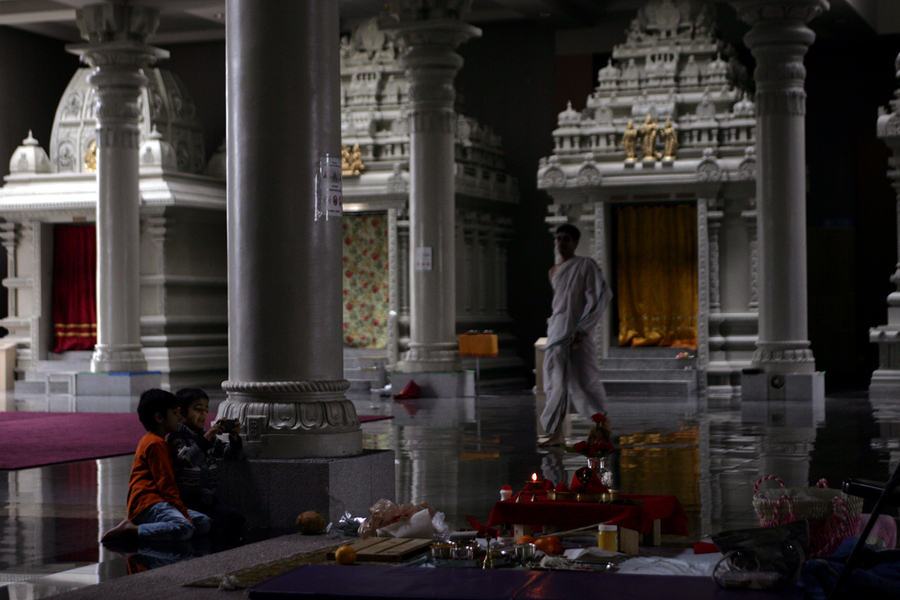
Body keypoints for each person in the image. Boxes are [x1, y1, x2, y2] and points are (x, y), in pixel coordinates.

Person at [101, 389, 212, 544]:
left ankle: (153, 527)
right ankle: (133, 531)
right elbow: (166, 485)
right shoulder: (156, 443)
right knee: (184, 527)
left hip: (159, 502)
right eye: (174, 413)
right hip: (148, 503)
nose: (179, 417)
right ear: (159, 417)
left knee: (204, 522)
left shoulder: (156, 441)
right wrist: (183, 514)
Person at [540, 224, 613, 447]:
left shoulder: (585, 265)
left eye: (566, 239)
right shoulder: (554, 272)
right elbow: (559, 305)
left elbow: (600, 297)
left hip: (577, 335)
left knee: (583, 384)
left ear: (576, 242)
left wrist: (582, 328)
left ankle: (603, 426)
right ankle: (556, 433)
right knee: (555, 384)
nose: (561, 243)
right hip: (557, 334)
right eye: (558, 239)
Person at [169, 388, 245, 540]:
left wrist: (234, 438)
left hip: (208, 501)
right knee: (214, 524)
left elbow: (232, 456)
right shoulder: (177, 437)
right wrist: (208, 435)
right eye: (198, 410)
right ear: (181, 413)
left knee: (236, 519)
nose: (203, 414)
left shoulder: (205, 438)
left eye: (205, 410)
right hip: (187, 501)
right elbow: (187, 459)